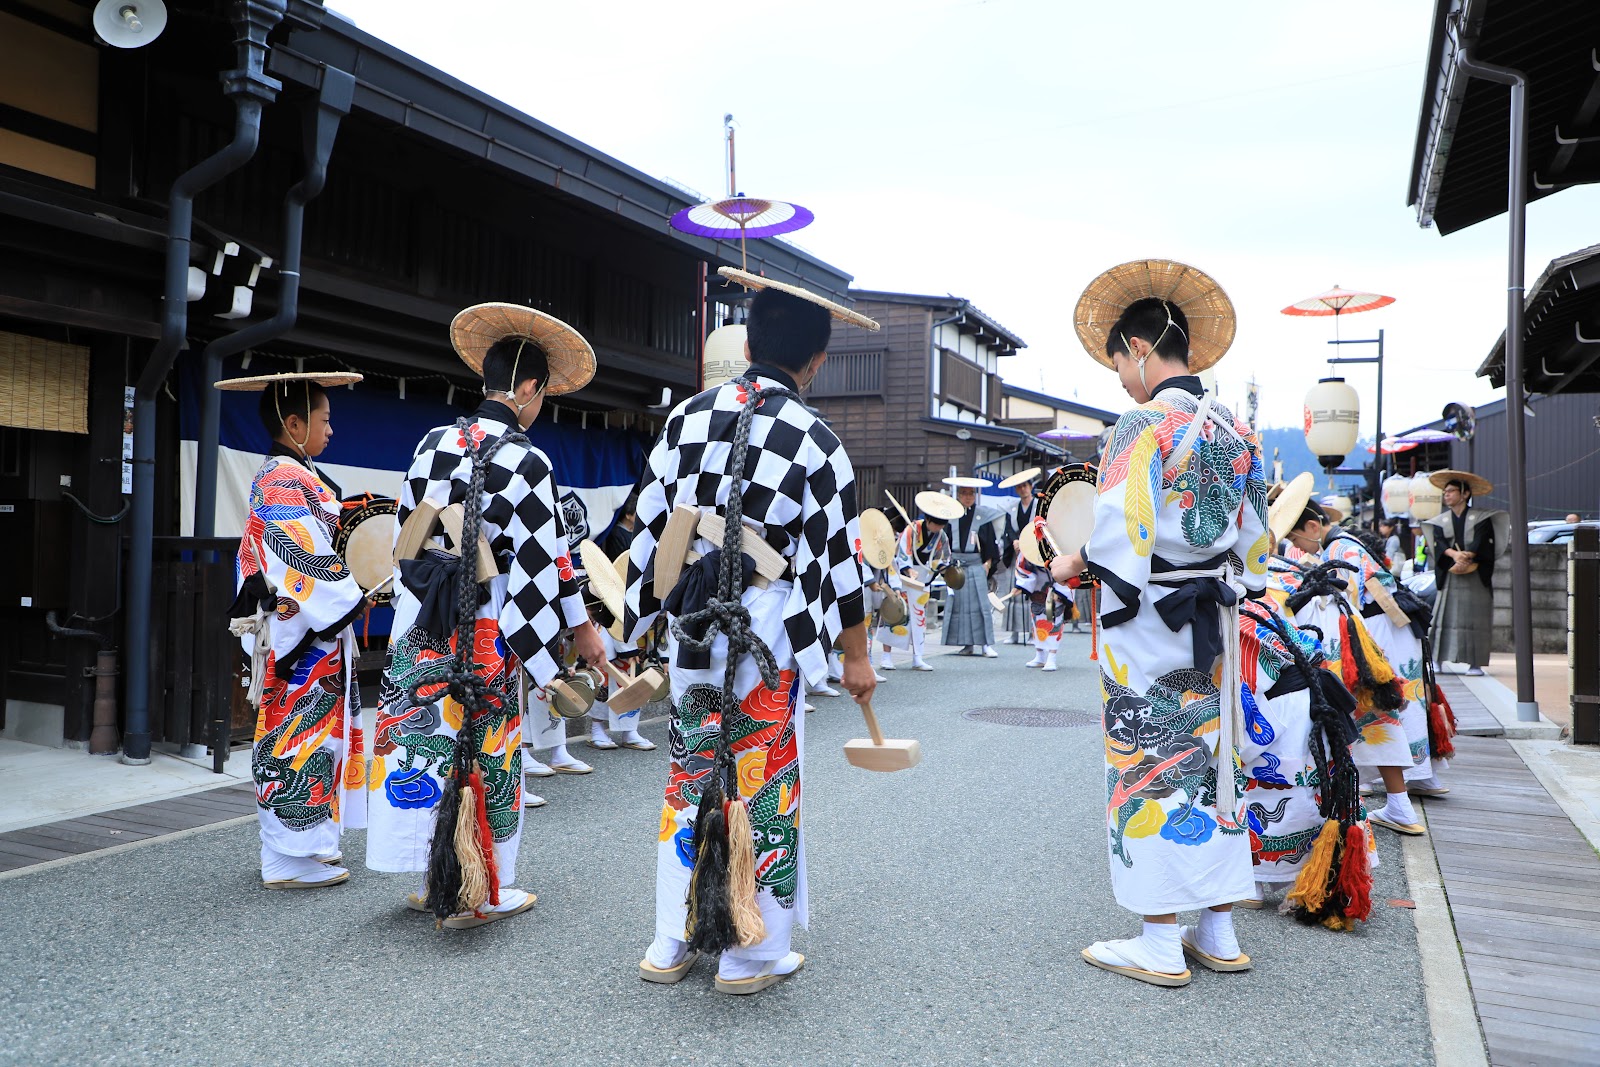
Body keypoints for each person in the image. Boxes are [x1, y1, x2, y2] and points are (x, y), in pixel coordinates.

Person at [625, 268, 877, 995]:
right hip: (767, 626)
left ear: (747, 342)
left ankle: (671, 939)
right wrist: (855, 656)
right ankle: (749, 952)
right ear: (817, 360)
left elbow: (646, 533)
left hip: (696, 624)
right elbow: (839, 566)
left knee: (689, 769)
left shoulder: (685, 419)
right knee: (762, 779)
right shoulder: (819, 441)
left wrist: (645, 618)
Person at [1058, 266, 1268, 986]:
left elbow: (1120, 530)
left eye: (1119, 361)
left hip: (1148, 620)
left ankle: (1156, 935)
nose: (1120, 377)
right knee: (1209, 763)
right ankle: (1219, 926)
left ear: (1141, 347)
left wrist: (1072, 562)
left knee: (1145, 761)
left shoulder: (1143, 423)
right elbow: (1254, 541)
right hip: (1210, 615)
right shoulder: (1236, 430)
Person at [367, 303, 607, 928]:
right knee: (485, 745)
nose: (539, 408)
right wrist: (567, 635)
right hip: (487, 619)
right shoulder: (529, 461)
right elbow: (546, 563)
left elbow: (406, 533)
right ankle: (482, 883)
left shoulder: (431, 443)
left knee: (425, 739)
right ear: (528, 389)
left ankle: (430, 877)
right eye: (542, 396)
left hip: (425, 612)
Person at [223, 371, 368, 890]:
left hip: (313, 628)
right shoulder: (282, 478)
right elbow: (299, 558)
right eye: (324, 420)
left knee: (316, 739)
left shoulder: (294, 472)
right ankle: (285, 856)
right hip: (300, 628)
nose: (331, 430)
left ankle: (310, 845)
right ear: (293, 422)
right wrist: (352, 594)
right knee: (294, 738)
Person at [1275, 488, 1427, 834]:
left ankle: (1355, 807)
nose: (1298, 547)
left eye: (1296, 537)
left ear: (1313, 527)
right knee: (1373, 714)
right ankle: (1399, 805)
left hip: (1343, 638)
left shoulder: (1335, 550)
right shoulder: (1328, 552)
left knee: (1341, 717)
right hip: (1353, 632)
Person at [1423, 470, 1506, 677]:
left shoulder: (1481, 518)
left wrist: (1467, 556)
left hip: (1474, 573)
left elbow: (1482, 541)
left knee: (1475, 618)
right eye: (1445, 492)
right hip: (1451, 573)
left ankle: (1474, 664)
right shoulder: (1440, 521)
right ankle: (1437, 660)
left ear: (1465, 494)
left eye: (1451, 491)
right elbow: (1438, 542)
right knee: (1443, 617)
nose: (1447, 495)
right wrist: (1454, 555)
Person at [882, 496, 955, 671]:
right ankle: (886, 656)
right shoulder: (911, 529)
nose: (938, 529)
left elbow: (942, 557)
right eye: (935, 524)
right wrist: (908, 569)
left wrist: (944, 569)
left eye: (941, 526)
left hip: (924, 576)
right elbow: (902, 551)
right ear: (928, 520)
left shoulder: (941, 535)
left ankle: (918, 657)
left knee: (918, 616)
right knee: (896, 612)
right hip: (903, 576)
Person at [942, 481, 1000, 656]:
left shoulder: (983, 515)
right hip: (956, 566)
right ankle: (966, 644)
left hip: (976, 565)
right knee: (959, 606)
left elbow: (990, 542)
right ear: (958, 495)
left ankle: (985, 644)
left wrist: (987, 564)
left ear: (975, 496)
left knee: (981, 606)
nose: (967, 497)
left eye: (971, 493)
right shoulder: (951, 515)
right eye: (964, 493)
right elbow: (945, 542)